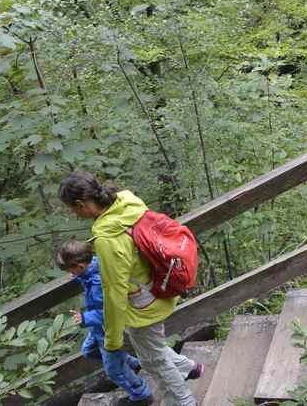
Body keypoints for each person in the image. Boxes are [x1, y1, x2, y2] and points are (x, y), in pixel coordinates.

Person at [58, 171, 202, 406]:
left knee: (154, 362)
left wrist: (112, 340)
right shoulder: (127, 204)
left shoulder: (108, 238)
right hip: (160, 288)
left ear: (80, 204)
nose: (75, 214)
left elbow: (114, 294)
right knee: (152, 352)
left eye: (73, 210)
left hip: (143, 306)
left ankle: (184, 402)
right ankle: (189, 370)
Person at [57, 240, 150, 403]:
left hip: (108, 332)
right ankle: (131, 362)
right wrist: (78, 276)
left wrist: (84, 318)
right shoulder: (94, 265)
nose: (70, 273)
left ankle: (141, 394)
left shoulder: (98, 284)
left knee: (115, 372)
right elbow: (87, 278)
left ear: (80, 267)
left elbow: (109, 312)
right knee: (88, 350)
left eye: (71, 270)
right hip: (98, 330)